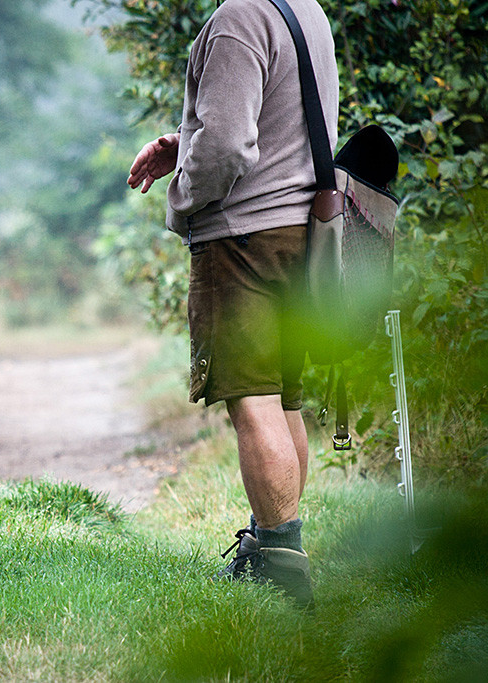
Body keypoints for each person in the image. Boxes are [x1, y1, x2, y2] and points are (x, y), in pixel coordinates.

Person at [127, 0, 338, 606]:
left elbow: (225, 147)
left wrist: (182, 198)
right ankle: (277, 551)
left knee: (252, 398)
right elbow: (281, 121)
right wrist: (181, 144)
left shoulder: (237, 19)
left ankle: (279, 566)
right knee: (282, 398)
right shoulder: (305, 9)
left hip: (244, 236)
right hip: (299, 235)